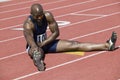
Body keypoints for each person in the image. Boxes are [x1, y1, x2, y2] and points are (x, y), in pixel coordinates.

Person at [23, 3, 117, 71]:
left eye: (41, 15)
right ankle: (39, 61)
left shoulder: (47, 16)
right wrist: (37, 47)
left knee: (75, 44)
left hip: (47, 42)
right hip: (34, 46)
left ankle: (107, 45)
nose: (39, 18)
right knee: (37, 52)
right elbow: (30, 40)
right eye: (37, 16)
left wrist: (44, 43)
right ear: (31, 14)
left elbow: (56, 32)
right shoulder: (28, 24)